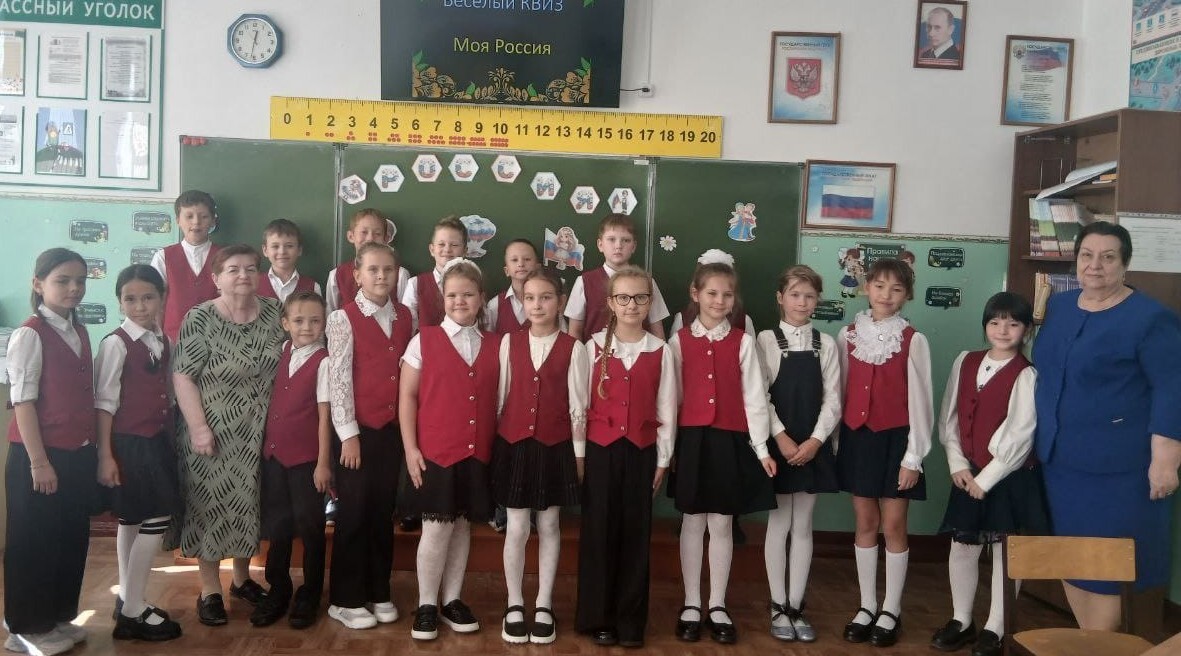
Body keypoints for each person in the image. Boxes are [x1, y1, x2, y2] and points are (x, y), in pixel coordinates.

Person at [1033, 221, 1181, 630]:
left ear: (1125, 264)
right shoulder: (1060, 307)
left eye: (1108, 257)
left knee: (1108, 568)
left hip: (1120, 469)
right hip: (1061, 463)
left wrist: (1166, 459)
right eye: (1087, 255)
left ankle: (1098, 645)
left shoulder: (1151, 318)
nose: (1095, 265)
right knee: (1072, 557)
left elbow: (1173, 389)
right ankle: (1089, 640)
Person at [172, 244, 285, 626]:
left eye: (251, 268)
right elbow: (183, 376)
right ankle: (210, 590)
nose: (243, 275)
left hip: (259, 433)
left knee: (248, 505)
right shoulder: (200, 318)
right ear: (216, 278)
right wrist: (198, 428)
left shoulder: (275, 312)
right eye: (233, 269)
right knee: (211, 507)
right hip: (213, 433)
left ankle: (241, 579)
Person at [667, 250, 776, 645]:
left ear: (735, 299)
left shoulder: (743, 342)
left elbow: (755, 398)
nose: (719, 301)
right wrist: (669, 448)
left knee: (722, 523)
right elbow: (671, 398)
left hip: (730, 440)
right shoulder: (678, 341)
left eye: (727, 294)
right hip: (692, 440)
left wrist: (762, 449)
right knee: (693, 521)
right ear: (695, 293)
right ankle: (691, 602)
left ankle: (717, 604)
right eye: (712, 293)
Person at [932, 292, 1046, 656]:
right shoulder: (965, 361)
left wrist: (986, 479)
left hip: (1007, 476)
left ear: (1026, 331)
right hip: (967, 473)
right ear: (985, 326)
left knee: (1003, 551)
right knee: (962, 546)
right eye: (995, 322)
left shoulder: (1026, 373)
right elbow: (949, 417)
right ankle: (962, 620)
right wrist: (957, 464)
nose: (1003, 330)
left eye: (1013, 324)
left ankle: (997, 627)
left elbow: (1020, 434)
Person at [575, 266, 676, 649]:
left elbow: (667, 409)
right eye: (623, 298)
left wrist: (663, 459)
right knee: (599, 534)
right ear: (610, 303)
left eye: (640, 298)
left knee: (636, 537)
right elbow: (579, 406)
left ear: (650, 303)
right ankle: (598, 617)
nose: (631, 305)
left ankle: (630, 621)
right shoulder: (591, 348)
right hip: (600, 452)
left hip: (641, 453)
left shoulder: (661, 350)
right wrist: (580, 455)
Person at [399, 259, 499, 641]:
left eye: (468, 294)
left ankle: (452, 599)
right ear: (443, 298)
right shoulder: (423, 340)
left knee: (461, 527)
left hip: (476, 452)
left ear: (481, 298)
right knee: (436, 528)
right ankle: (426, 604)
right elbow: (407, 397)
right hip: (435, 452)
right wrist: (411, 449)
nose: (460, 301)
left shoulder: (494, 344)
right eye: (453, 295)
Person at [4, 249, 97, 656]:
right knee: (34, 543)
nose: (74, 288)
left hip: (76, 454)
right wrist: (39, 463)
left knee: (69, 539)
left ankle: (57, 617)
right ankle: (24, 628)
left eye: (80, 280)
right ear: (38, 284)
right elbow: (23, 402)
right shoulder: (30, 334)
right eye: (63, 280)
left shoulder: (79, 330)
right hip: (38, 456)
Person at [836, 258, 933, 648]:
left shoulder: (913, 340)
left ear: (907, 294)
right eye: (879, 286)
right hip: (858, 440)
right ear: (866, 288)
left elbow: (921, 402)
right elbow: (841, 391)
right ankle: (867, 605)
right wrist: (837, 443)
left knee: (893, 526)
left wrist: (914, 457)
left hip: (896, 442)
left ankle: (891, 609)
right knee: (864, 522)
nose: (886, 295)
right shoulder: (847, 335)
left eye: (896, 289)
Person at [491, 268, 587, 645]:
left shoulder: (574, 348)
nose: (537, 305)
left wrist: (579, 455)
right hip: (515, 443)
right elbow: (502, 397)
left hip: (555, 445)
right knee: (516, 527)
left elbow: (579, 406)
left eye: (545, 297)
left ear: (560, 302)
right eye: (530, 298)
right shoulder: (509, 342)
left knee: (548, 525)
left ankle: (544, 603)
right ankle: (514, 602)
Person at [324, 242, 413, 630]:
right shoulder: (342, 318)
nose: (381, 276)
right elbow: (339, 379)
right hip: (356, 434)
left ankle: (378, 590)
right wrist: (348, 434)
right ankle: (345, 599)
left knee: (381, 512)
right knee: (354, 513)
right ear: (357, 275)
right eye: (373, 270)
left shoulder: (405, 315)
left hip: (390, 432)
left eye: (388, 270)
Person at [94, 265, 183, 642]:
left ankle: (128, 599)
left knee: (132, 518)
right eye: (130, 299)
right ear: (119, 302)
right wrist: (105, 454)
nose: (140, 306)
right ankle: (132, 610)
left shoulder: (163, 339)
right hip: (129, 443)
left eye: (148, 297)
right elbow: (104, 404)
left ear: (162, 298)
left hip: (156, 439)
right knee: (156, 515)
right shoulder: (115, 343)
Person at [757, 264, 841, 643]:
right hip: (780, 447)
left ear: (817, 300)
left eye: (809, 296)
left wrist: (815, 442)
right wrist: (782, 439)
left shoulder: (827, 344)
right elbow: (760, 396)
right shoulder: (766, 340)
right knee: (779, 525)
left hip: (812, 447)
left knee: (803, 525)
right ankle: (778, 605)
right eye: (794, 294)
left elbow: (833, 400)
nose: (802, 302)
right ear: (780, 297)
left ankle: (796, 605)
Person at [251, 290, 332, 629]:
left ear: (324, 323)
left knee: (311, 528)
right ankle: (278, 589)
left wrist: (323, 463)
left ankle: (310, 593)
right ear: (285, 323)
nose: (307, 327)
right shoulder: (282, 351)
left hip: (306, 462)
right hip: (274, 458)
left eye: (315, 320)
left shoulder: (324, 361)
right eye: (299, 320)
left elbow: (325, 417)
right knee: (279, 526)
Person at [564, 213, 670, 340]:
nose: (618, 246)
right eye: (611, 239)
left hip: (640, 351)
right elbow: (574, 331)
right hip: (595, 351)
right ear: (600, 245)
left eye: (626, 240)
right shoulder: (584, 282)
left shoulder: (647, 282)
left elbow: (657, 331)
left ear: (633, 246)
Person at [152, 190, 221, 342]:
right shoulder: (163, 257)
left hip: (216, 342)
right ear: (178, 220)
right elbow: (157, 303)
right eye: (189, 216)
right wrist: (157, 340)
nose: (196, 222)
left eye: (204, 217)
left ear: (212, 221)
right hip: (174, 342)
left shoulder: (225, 257)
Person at [325, 208, 411, 313]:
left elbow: (405, 314)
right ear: (351, 236)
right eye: (364, 232)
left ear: (386, 239)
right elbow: (330, 314)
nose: (370, 238)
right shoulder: (336, 275)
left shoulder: (400, 274)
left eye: (377, 233)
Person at [402, 215, 467, 330]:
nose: (447, 249)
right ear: (432, 250)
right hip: (425, 341)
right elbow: (407, 326)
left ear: (464, 251)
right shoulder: (415, 284)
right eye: (441, 244)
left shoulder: (473, 284)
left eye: (454, 245)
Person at [258, 219, 323, 302]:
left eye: (289, 246)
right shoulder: (254, 284)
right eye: (275, 246)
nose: (282, 252)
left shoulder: (313, 287)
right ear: (265, 250)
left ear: (299, 250)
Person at [487, 239, 541, 335]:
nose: (521, 264)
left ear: (538, 268)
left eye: (527, 259)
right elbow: (488, 338)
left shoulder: (548, 301)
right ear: (506, 271)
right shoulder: (495, 305)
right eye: (514, 260)